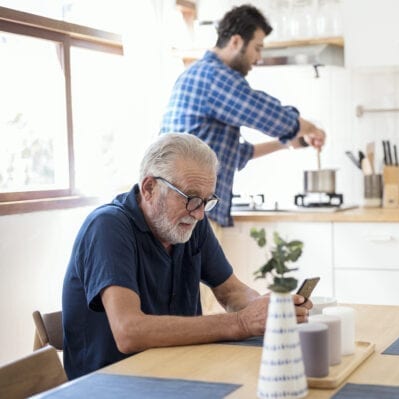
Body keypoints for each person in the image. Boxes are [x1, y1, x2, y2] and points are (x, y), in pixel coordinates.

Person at [62, 133, 312, 379]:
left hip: (176, 371)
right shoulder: (108, 226)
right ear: (150, 187)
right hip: (110, 384)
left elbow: (231, 293)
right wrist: (241, 323)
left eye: (207, 201)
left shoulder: (192, 224)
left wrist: (270, 310)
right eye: (191, 198)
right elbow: (129, 332)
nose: (200, 213)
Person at [160, 4, 326, 228]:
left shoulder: (201, 74)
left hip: (186, 212)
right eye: (257, 48)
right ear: (236, 41)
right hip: (188, 214)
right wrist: (311, 128)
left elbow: (235, 155)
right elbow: (270, 116)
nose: (258, 58)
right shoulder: (214, 77)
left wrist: (287, 143)